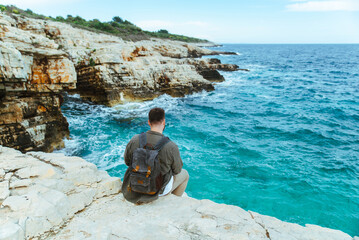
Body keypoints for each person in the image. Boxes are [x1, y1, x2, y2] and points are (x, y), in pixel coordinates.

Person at [122, 107, 189, 204]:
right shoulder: (171, 146)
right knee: (185, 174)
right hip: (157, 190)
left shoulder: (135, 139)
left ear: (149, 122)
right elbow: (177, 170)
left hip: (134, 185)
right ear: (164, 122)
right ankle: (171, 202)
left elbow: (127, 162)